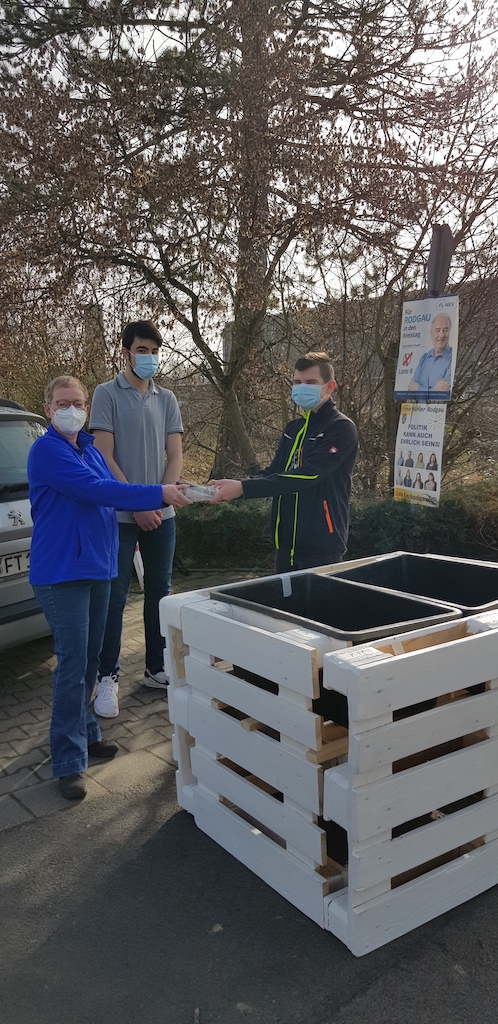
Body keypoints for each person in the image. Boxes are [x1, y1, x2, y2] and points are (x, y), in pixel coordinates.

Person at [28, 376, 191, 800]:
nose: (72, 409)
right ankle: (67, 761)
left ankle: (87, 733)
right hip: (61, 573)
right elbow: (98, 490)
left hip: (97, 568)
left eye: (78, 402)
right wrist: (159, 492)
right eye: (63, 402)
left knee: (90, 661)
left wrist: (156, 497)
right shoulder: (47, 450)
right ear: (48, 408)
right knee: (71, 665)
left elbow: (110, 490)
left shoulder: (88, 448)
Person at [89, 320, 184, 719]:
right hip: (121, 516)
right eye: (141, 350)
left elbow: (175, 456)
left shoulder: (167, 398)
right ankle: (106, 676)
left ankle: (155, 667)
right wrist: (139, 503)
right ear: (125, 351)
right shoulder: (105, 394)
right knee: (114, 596)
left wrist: (158, 503)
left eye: (154, 351)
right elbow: (104, 456)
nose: (148, 357)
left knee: (159, 593)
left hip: (161, 513)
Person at [209, 352, 358, 572]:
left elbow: (307, 475)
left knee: (316, 607)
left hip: (321, 546)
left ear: (330, 386)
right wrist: (230, 486)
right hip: (284, 543)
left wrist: (243, 488)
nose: (302, 387)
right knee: (284, 606)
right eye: (297, 382)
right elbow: (275, 472)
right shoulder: (293, 429)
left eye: (311, 382)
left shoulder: (340, 428)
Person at [407, 314, 452, 394]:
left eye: (445, 330)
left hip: (439, 406)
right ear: (431, 333)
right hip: (419, 406)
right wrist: (433, 390)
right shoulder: (424, 358)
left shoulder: (452, 359)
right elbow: (411, 387)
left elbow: (443, 393)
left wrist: (418, 388)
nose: (441, 335)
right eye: (437, 330)